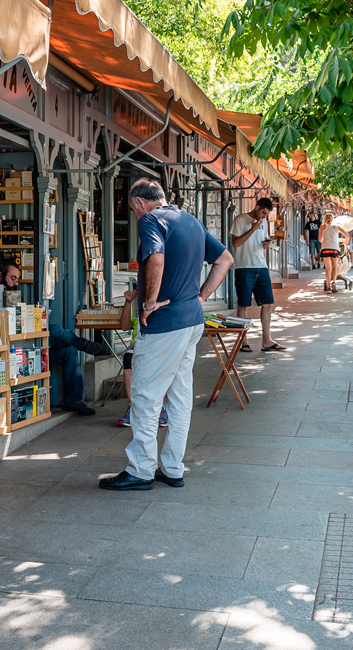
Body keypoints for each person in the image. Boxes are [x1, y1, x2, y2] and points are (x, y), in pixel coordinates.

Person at [99, 179, 232, 491]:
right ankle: (172, 468)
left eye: (133, 210)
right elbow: (225, 259)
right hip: (191, 320)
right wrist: (200, 297)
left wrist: (147, 304)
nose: (135, 216)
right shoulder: (191, 220)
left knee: (145, 397)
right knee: (180, 398)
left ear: (140, 204)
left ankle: (141, 470)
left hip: (164, 325)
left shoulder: (150, 219)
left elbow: (155, 258)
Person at [230, 197, 284, 352]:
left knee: (268, 303)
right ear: (257, 207)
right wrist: (252, 229)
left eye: (266, 214)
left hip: (261, 265)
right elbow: (236, 243)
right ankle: (243, 341)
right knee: (243, 305)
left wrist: (266, 243)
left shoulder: (265, 222)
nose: (263, 217)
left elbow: (260, 240)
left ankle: (267, 340)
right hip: (244, 266)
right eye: (263, 212)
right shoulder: (240, 220)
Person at [115, 287, 168, 429]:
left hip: (160, 342)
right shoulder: (136, 301)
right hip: (138, 342)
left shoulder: (163, 297)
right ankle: (132, 406)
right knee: (128, 358)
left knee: (159, 361)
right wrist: (127, 302)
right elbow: (124, 326)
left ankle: (160, 408)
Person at [48, 328, 107, 416]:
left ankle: (73, 401)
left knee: (70, 351)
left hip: (44, 347)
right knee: (52, 331)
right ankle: (80, 343)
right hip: (26, 346)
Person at [319, 213, 344, 293]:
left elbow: (320, 239)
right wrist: (346, 240)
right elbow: (347, 235)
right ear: (333, 219)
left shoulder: (322, 226)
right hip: (334, 248)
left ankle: (328, 287)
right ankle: (334, 282)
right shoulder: (336, 226)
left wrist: (324, 241)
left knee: (328, 269)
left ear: (325, 219)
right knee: (334, 267)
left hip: (325, 248)